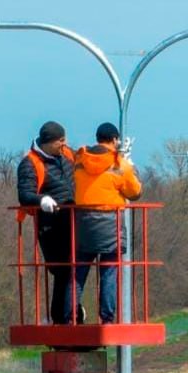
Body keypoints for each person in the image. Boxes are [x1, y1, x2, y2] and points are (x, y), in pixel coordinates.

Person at [71, 122, 142, 324]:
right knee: (109, 271)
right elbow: (135, 192)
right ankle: (107, 318)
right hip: (111, 223)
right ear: (114, 140)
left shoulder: (81, 160)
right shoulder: (119, 164)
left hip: (83, 223)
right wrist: (131, 164)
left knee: (78, 271)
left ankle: (68, 316)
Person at [17, 121, 77, 324]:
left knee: (75, 269)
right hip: (51, 227)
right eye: (61, 140)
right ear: (48, 142)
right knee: (62, 270)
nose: (65, 144)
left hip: (72, 223)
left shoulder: (67, 155)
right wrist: (41, 200)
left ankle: (72, 313)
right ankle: (62, 319)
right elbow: (25, 195)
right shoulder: (30, 163)